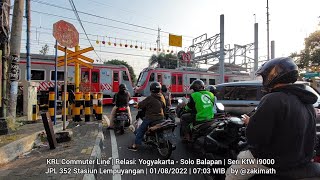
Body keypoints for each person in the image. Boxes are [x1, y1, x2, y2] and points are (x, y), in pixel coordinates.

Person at [225, 57, 317, 180]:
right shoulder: (307, 103)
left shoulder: (272, 98)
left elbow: (255, 138)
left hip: (273, 160)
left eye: (264, 76)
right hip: (299, 160)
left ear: (272, 76)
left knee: (231, 176)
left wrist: (250, 123)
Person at [128, 82, 166, 151]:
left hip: (150, 118)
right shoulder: (162, 96)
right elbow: (164, 106)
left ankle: (135, 146)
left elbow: (140, 105)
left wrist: (136, 105)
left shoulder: (150, 98)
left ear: (151, 89)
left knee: (141, 130)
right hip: (161, 117)